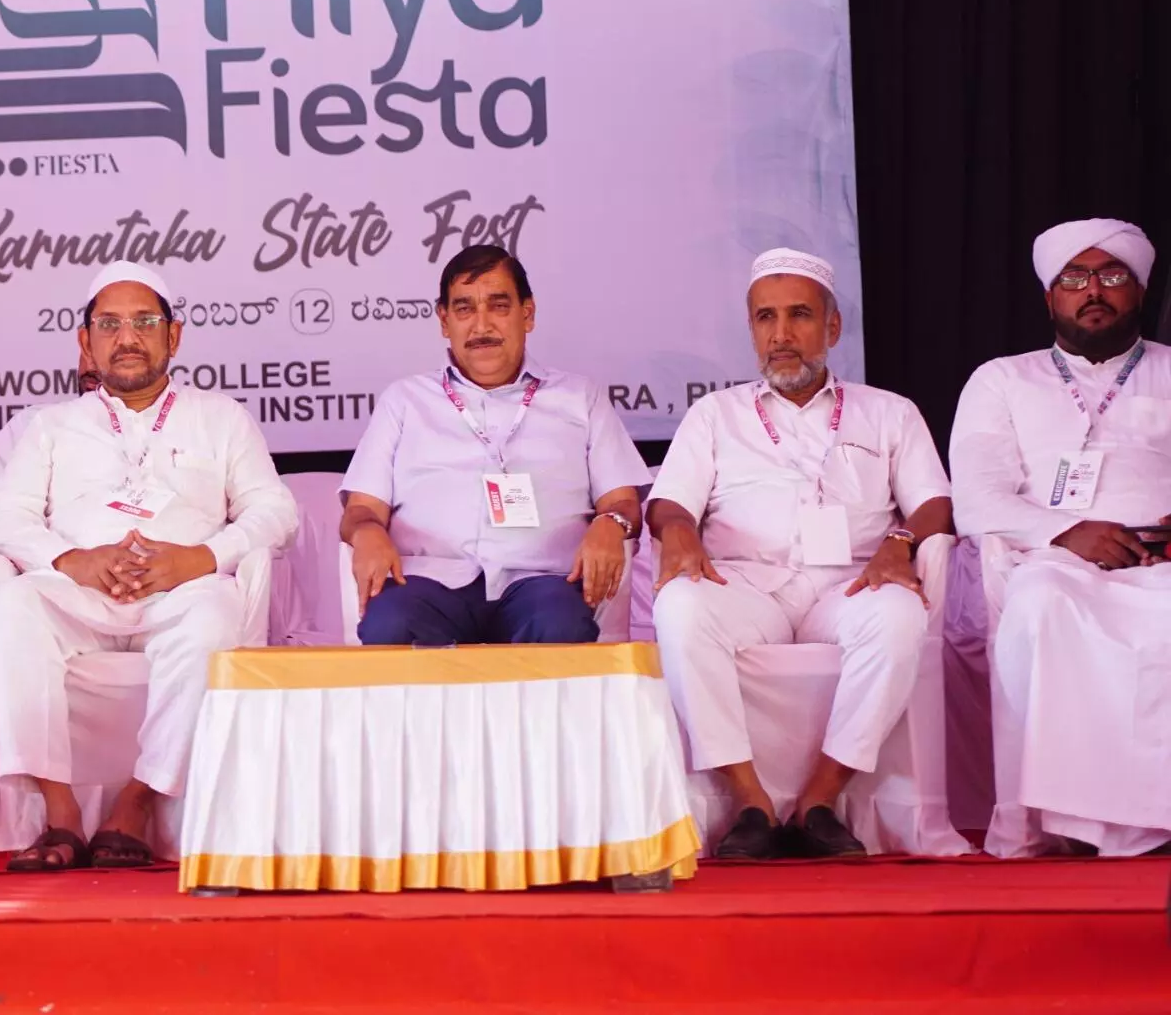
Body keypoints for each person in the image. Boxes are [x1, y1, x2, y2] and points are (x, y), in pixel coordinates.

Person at [0, 262, 298, 872]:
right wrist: (72, 560)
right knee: (14, 607)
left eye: (145, 323)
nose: (127, 338)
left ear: (173, 336)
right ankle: (60, 811)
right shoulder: (51, 425)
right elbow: (3, 517)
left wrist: (200, 558)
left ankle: (137, 801)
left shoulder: (220, 417)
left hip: (181, 594)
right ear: (86, 341)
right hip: (80, 595)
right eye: (110, 325)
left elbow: (275, 510)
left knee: (215, 616)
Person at [647, 249, 952, 859]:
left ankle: (819, 800)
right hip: (745, 587)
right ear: (752, 328)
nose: (781, 334)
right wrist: (677, 528)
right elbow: (670, 502)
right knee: (680, 607)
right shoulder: (715, 415)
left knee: (899, 615)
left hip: (848, 587)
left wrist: (900, 543)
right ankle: (750, 803)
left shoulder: (889, 412)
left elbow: (935, 505)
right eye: (766, 317)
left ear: (832, 327)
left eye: (799, 315)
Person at [951, 217, 1171, 857]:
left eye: (1111, 276)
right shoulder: (1002, 379)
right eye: (1074, 279)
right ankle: (1064, 823)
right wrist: (1068, 533)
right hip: (1054, 561)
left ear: (1140, 290)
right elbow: (976, 497)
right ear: (1050, 298)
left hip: (1160, 561)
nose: (1092, 290)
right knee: (1041, 605)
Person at [341, 244, 646, 644]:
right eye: (464, 309)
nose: (481, 325)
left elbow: (623, 502)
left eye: (498, 306)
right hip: (428, 582)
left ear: (527, 313)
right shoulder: (404, 401)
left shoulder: (580, 398)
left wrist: (612, 524)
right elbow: (361, 508)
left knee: (561, 626)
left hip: (542, 581)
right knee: (390, 624)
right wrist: (366, 530)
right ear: (444, 321)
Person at [0, 345, 100, 735]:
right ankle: (25, 765)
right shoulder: (33, 425)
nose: (93, 363)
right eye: (88, 347)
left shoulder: (193, 424)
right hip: (40, 582)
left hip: (145, 590)